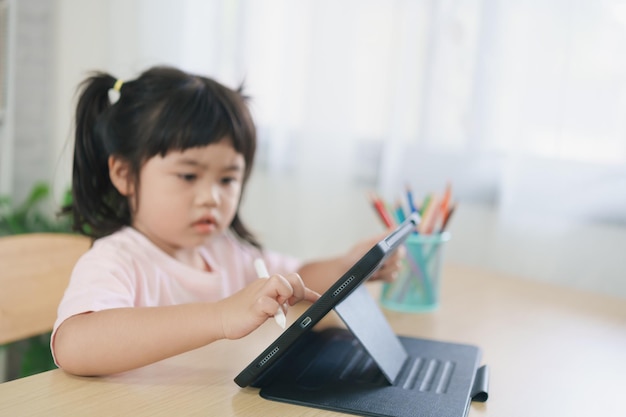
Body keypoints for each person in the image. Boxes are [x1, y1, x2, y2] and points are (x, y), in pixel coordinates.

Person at [52, 66, 404, 377]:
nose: (212, 197)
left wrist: (350, 267)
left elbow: (296, 281)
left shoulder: (225, 250)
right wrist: (221, 316)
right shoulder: (116, 259)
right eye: (189, 176)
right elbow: (74, 343)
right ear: (124, 174)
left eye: (227, 179)